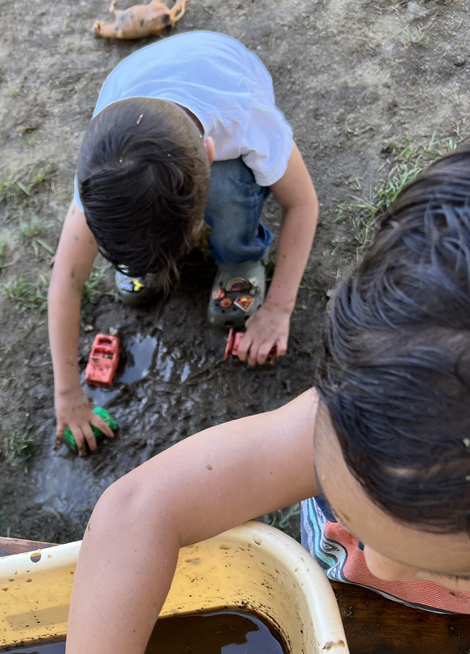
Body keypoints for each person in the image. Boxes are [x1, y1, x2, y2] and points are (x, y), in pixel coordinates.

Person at [55, 135, 470, 654]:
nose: (371, 557)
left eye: (450, 564)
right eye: (343, 503)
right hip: (335, 620)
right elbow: (142, 510)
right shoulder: (389, 405)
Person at [48, 30, 318, 453]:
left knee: (230, 187)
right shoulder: (102, 168)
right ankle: (147, 258)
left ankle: (239, 257)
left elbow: (302, 205)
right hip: (145, 90)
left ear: (208, 153)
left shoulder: (245, 120)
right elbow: (66, 278)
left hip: (224, 67)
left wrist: (279, 309)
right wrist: (67, 393)